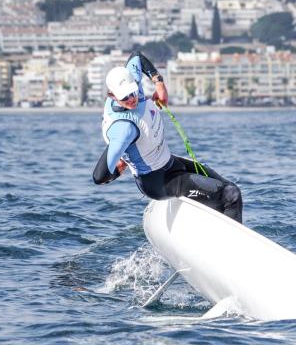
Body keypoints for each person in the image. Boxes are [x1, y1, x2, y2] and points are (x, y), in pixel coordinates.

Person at [92, 51, 243, 223]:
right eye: (125, 97)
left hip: (170, 163)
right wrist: (120, 164)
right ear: (112, 95)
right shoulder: (124, 129)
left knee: (230, 187)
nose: (132, 98)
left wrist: (159, 84)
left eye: (133, 92)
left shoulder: (132, 85)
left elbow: (137, 57)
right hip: (157, 182)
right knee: (231, 196)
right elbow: (99, 176)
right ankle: (230, 248)